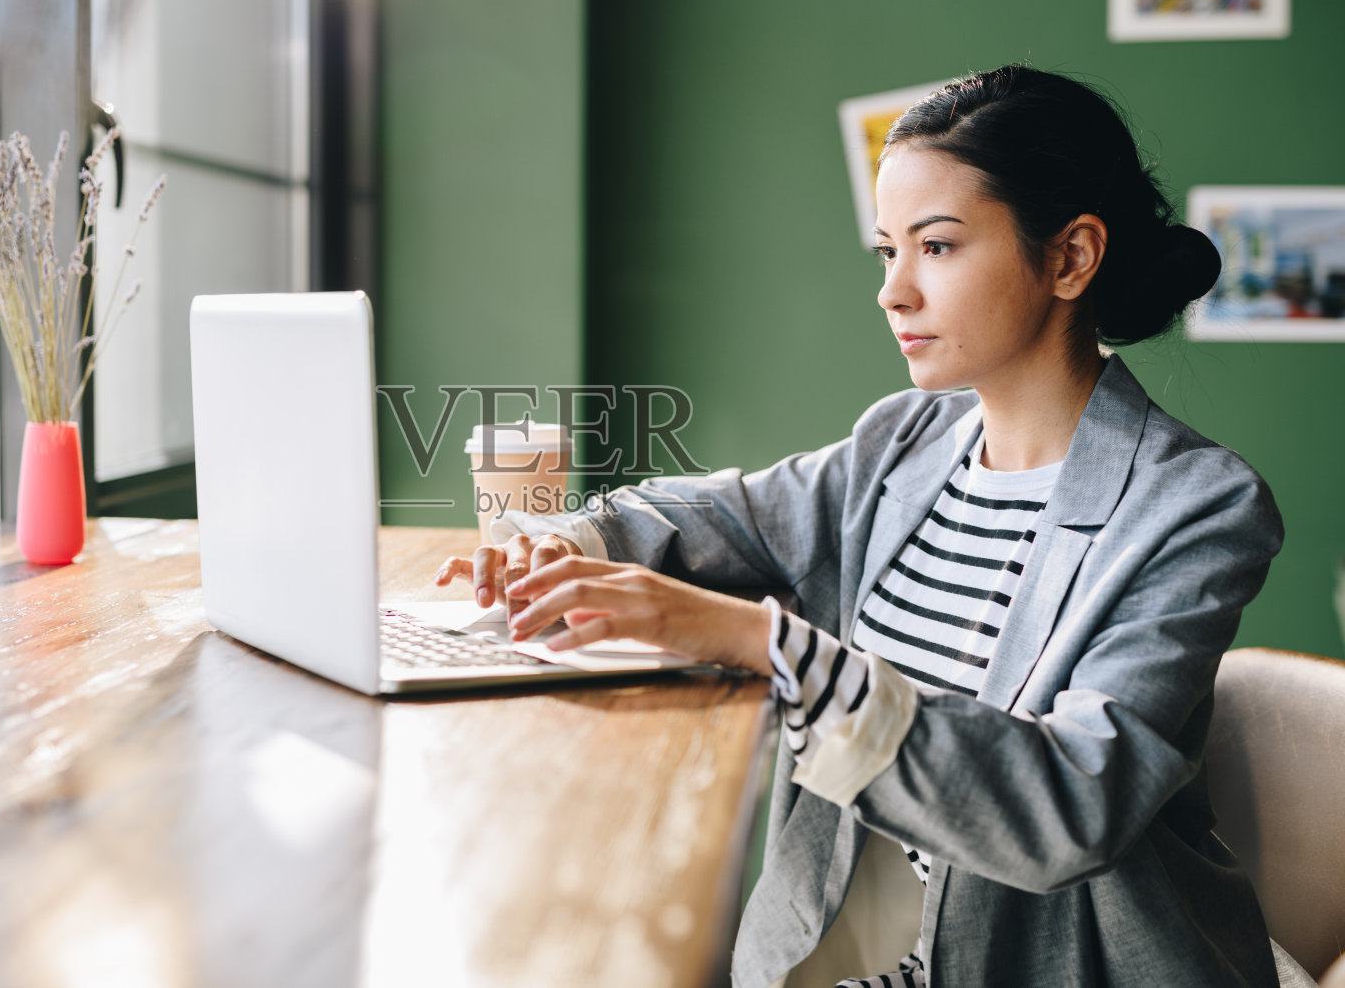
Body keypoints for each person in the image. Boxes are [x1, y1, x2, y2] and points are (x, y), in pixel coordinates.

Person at [433, 65, 1289, 987]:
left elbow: (1071, 806)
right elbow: (727, 514)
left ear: (1071, 257)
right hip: (866, 949)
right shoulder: (906, 440)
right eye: (887, 251)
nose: (893, 291)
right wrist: (568, 544)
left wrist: (761, 641)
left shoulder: (1196, 506)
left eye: (938, 246)